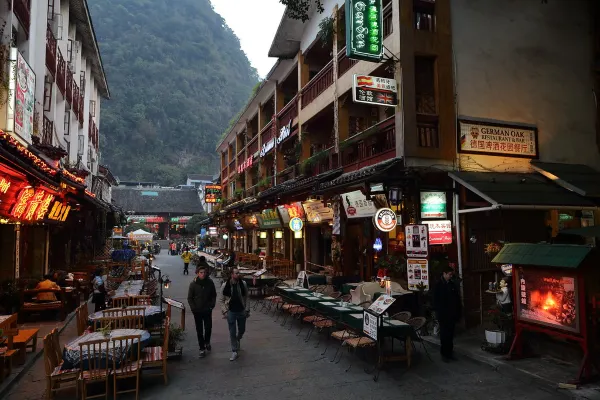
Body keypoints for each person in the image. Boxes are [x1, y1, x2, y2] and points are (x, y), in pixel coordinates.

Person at [187, 265, 217, 358]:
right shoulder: (193, 284)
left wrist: (212, 305)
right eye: (201, 272)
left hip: (207, 310)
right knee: (199, 330)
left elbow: (214, 295)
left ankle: (207, 341)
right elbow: (190, 298)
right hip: (198, 311)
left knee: (208, 328)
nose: (203, 274)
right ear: (197, 273)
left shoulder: (210, 282)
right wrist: (194, 308)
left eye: (204, 272)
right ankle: (201, 348)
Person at [434, 266, 462, 362]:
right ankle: (444, 354)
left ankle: (450, 353)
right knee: (444, 334)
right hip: (443, 314)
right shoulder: (438, 285)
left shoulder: (452, 284)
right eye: (449, 274)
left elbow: (457, 299)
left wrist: (458, 312)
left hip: (452, 314)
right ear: (444, 274)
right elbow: (436, 301)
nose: (450, 276)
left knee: (450, 334)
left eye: (451, 275)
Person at [220, 267, 249, 361]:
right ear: (232, 274)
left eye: (238, 273)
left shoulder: (242, 284)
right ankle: (234, 350)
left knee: (242, 330)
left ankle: (238, 338)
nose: (238, 274)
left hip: (241, 310)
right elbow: (221, 300)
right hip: (231, 311)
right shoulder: (225, 285)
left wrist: (247, 309)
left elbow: (247, 297)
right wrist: (225, 311)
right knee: (232, 332)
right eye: (236, 273)